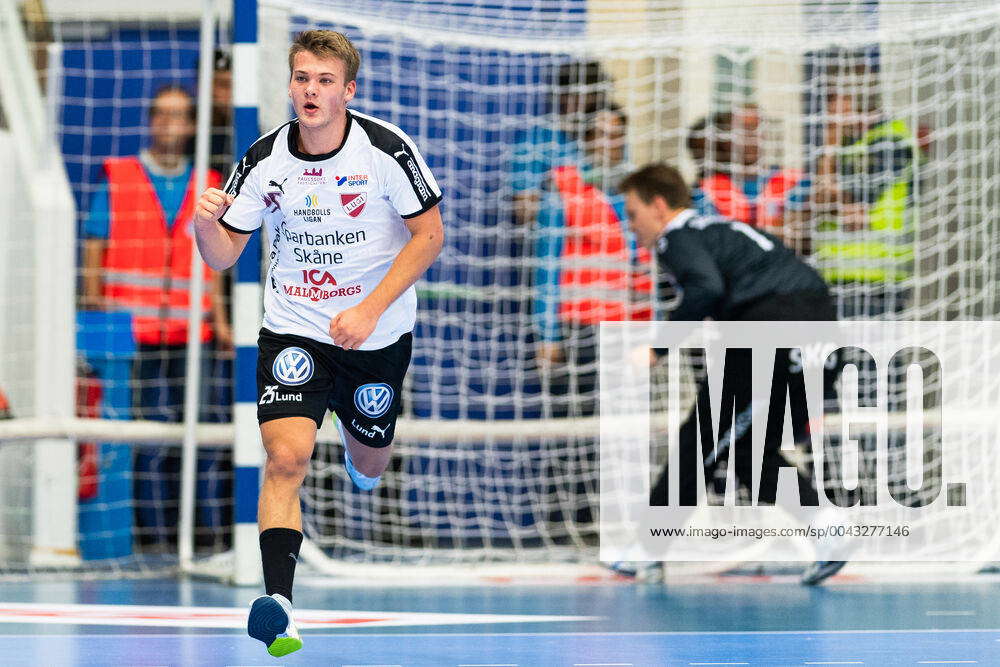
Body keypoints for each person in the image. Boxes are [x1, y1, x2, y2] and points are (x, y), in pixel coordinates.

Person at [192, 30, 443, 657]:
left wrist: (369, 309)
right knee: (285, 459)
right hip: (295, 327)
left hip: (374, 333)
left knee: (369, 460)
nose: (311, 90)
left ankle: (364, 448)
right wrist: (203, 227)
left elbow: (430, 236)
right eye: (303, 78)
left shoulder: (386, 150)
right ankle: (279, 602)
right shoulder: (263, 159)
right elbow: (224, 257)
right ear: (290, 85)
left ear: (347, 91)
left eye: (325, 81)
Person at [613, 162, 845, 586]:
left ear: (660, 206)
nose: (632, 227)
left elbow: (705, 289)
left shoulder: (677, 237)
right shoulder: (720, 230)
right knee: (749, 453)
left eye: (633, 214)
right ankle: (829, 529)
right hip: (822, 337)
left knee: (699, 438)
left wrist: (657, 348)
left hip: (773, 331)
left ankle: (648, 550)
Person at [80, 84, 228, 548]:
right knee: (140, 436)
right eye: (161, 115)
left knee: (197, 431)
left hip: (191, 327)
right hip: (131, 330)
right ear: (150, 121)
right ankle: (148, 531)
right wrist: (91, 296)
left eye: (179, 115)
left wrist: (220, 320)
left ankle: (196, 530)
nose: (169, 124)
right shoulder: (121, 176)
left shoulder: (210, 181)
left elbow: (217, 257)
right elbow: (94, 240)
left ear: (191, 125)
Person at [687, 105, 805, 244]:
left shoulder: (793, 180)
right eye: (744, 129)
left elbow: (804, 227)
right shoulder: (706, 190)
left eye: (757, 128)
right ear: (725, 138)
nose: (752, 136)